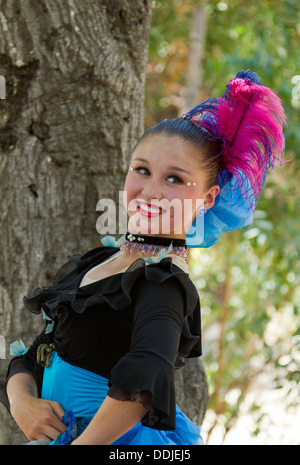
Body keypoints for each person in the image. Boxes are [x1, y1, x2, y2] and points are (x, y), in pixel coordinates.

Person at [0, 71, 286, 445]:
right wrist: (21, 400)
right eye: (142, 170)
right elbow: (40, 350)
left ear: (209, 197)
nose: (150, 191)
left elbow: (147, 379)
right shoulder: (100, 259)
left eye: (174, 179)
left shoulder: (162, 284)